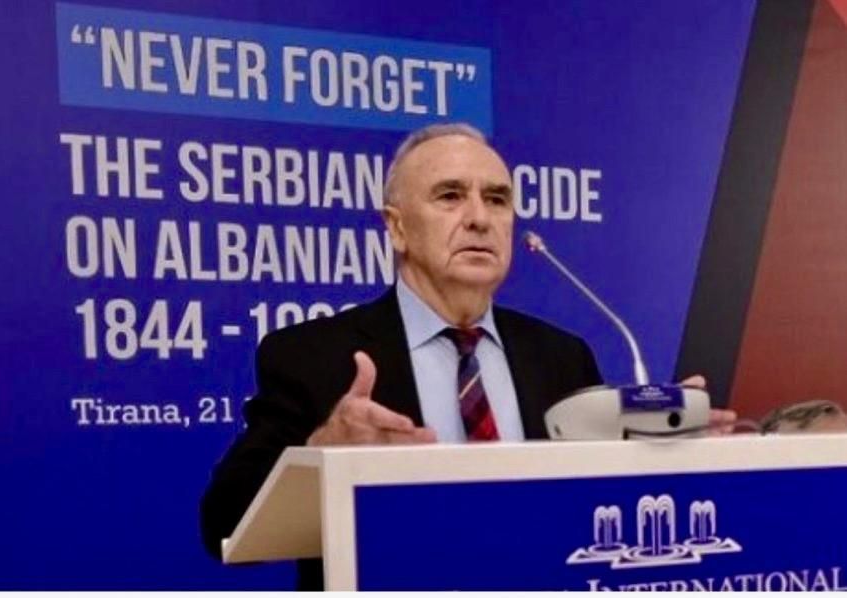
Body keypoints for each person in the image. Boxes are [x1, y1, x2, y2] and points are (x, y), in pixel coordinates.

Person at [200, 123, 734, 589]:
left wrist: (660, 458)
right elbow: (224, 525)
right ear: (397, 228)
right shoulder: (314, 356)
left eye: (497, 199)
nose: (480, 218)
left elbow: (591, 512)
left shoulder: (561, 357)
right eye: (450, 196)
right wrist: (321, 452)